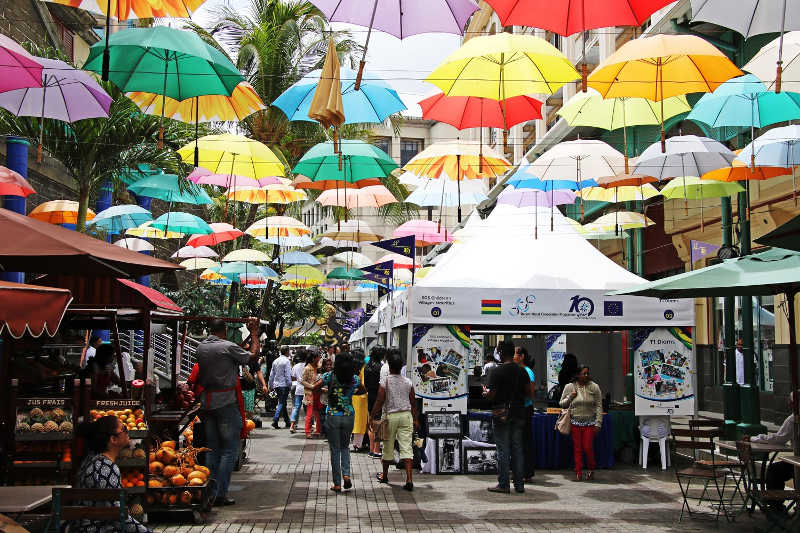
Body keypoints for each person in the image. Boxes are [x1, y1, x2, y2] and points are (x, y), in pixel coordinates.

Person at [196, 317, 260, 506]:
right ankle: (220, 493)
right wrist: (254, 334)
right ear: (223, 330)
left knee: (212, 449)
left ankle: (210, 490)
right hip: (225, 403)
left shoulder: (202, 348)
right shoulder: (226, 347)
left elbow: (234, 353)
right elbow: (253, 356)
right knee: (229, 450)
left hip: (207, 403)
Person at [75, 415, 151, 533]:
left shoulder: (91, 459)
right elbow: (118, 516)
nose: (127, 431)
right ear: (113, 439)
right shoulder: (106, 467)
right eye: (124, 429)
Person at [312, 351, 365, 492]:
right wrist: (351, 393)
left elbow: (314, 388)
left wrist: (325, 391)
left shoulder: (329, 376)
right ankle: (346, 475)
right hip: (349, 414)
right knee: (345, 447)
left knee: (335, 449)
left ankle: (337, 483)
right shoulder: (354, 378)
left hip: (333, 415)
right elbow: (362, 391)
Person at [484, 341, 529, 494]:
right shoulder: (522, 371)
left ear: (502, 353)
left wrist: (486, 394)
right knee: (517, 449)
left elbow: (492, 395)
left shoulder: (497, 372)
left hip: (502, 413)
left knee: (503, 449)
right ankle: (519, 485)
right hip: (519, 412)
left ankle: (503, 484)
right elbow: (529, 392)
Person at [370, 349, 418, 491]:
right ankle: (409, 479)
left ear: (390, 366)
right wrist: (415, 419)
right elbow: (413, 402)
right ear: (401, 366)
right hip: (406, 416)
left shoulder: (385, 381)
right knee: (406, 447)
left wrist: (372, 415)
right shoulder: (408, 382)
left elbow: (379, 400)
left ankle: (385, 476)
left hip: (389, 417)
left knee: (388, 447)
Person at [560, 365, 603, 481]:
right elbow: (562, 403)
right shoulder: (570, 387)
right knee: (577, 448)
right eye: (584, 373)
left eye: (587, 373)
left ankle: (591, 469)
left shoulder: (594, 387)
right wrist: (570, 397)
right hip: (575, 422)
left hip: (590, 423)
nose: (586, 375)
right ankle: (578, 471)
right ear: (578, 375)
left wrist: (598, 423)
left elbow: (599, 406)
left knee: (588, 447)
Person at [754, 391, 795, 509]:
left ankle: (775, 506)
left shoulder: (793, 419)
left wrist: (756, 438)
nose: (788, 404)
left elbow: (778, 439)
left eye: (790, 402)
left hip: (798, 463)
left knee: (774, 470)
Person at [514, 345, 536, 481]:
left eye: (515, 354)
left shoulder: (527, 371)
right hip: (518, 408)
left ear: (522, 357)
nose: (513, 356)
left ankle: (526, 473)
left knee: (524, 441)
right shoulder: (517, 370)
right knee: (518, 442)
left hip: (525, 409)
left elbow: (531, 393)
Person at [364, 347, 386, 458]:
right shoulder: (380, 368)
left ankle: (372, 449)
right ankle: (377, 450)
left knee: (371, 423)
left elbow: (366, 384)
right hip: (378, 396)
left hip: (370, 396)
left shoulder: (367, 367)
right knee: (378, 423)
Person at [269, 347, 293, 429]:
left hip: (276, 385)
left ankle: (287, 421)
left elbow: (271, 374)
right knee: (282, 403)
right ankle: (275, 420)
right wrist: (290, 385)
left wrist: (271, 385)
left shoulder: (275, 361)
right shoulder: (286, 361)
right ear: (287, 352)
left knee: (283, 403)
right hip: (284, 385)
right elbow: (287, 375)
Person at [350, 350, 369, 453]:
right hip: (361, 397)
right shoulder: (363, 368)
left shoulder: (353, 368)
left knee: (356, 422)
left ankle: (357, 444)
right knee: (360, 422)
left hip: (354, 397)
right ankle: (358, 444)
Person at [300, 350, 322, 438]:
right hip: (310, 393)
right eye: (318, 357)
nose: (319, 358)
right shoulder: (307, 368)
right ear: (314, 358)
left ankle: (318, 429)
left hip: (317, 392)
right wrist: (311, 386)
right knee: (309, 412)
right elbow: (302, 381)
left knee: (317, 412)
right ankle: (307, 431)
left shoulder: (316, 367)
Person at [289, 352, 306, 433]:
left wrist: (299, 379)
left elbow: (292, 377)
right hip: (307, 389)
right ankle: (309, 425)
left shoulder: (296, 366)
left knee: (296, 407)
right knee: (308, 408)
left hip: (299, 389)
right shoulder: (308, 366)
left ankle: (292, 426)